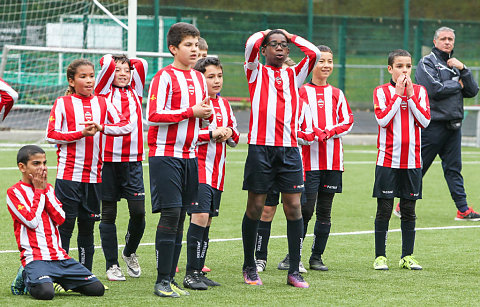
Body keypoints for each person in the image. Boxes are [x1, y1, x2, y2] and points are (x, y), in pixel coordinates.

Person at [242, 28, 320, 288]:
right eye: (272, 44)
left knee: (294, 207)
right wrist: (266, 32)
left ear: (288, 51)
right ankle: (250, 266)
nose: (278, 47)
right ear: (264, 50)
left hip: (289, 150)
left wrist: (291, 35)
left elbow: (315, 53)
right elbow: (250, 43)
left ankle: (294, 271)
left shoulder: (294, 74)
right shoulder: (255, 72)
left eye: (283, 45)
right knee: (256, 207)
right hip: (260, 149)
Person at [45, 59, 133, 273]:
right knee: (65, 228)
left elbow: (126, 125)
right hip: (69, 176)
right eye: (83, 77)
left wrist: (102, 127)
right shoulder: (63, 102)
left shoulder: (102, 103)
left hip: (94, 178)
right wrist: (80, 133)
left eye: (91, 76)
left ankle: (84, 274)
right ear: (72, 81)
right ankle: (60, 272)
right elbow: (51, 135)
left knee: (87, 228)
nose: (89, 80)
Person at [146, 22, 212, 298]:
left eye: (196, 45)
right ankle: (161, 280)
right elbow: (153, 115)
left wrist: (206, 120)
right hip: (165, 154)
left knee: (182, 216)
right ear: (173, 48)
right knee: (171, 214)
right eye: (188, 45)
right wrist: (190, 111)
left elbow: (199, 115)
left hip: (190, 156)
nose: (194, 49)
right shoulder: (164, 77)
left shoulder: (199, 78)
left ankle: (171, 278)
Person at [401, 26, 480, 221]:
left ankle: (463, 210)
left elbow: (472, 90)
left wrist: (464, 70)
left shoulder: (455, 64)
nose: (447, 42)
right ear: (435, 41)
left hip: (454, 127)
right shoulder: (426, 62)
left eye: (450, 39)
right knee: (419, 167)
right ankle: (403, 205)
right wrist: (457, 84)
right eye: (443, 39)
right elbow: (433, 89)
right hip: (432, 126)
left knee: (454, 169)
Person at [7, 145, 105, 300]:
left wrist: (44, 190)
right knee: (46, 293)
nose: (43, 168)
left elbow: (60, 218)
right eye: (36, 164)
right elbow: (32, 221)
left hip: (60, 257)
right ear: (22, 167)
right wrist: (39, 191)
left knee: (97, 288)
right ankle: (25, 274)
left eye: (44, 163)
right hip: (35, 257)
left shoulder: (49, 189)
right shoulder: (14, 192)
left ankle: (54, 277)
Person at [183, 56, 240, 290]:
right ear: (200, 78)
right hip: (198, 169)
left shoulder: (225, 104)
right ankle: (190, 274)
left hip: (218, 172)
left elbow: (235, 136)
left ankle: (199, 270)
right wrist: (211, 134)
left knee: (207, 223)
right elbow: (185, 137)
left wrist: (228, 134)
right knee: (200, 217)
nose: (217, 81)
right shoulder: (197, 104)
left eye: (219, 76)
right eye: (211, 77)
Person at [372, 49, 430, 271]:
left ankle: (407, 256)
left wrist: (410, 95)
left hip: (413, 161)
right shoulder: (380, 91)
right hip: (387, 160)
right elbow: (383, 119)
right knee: (384, 210)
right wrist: (398, 94)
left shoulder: (421, 91)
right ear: (390, 69)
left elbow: (424, 122)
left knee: (408, 210)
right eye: (399, 66)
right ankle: (380, 256)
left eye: (407, 66)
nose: (404, 70)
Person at [298, 45, 354, 272]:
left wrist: (329, 132)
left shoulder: (337, 94)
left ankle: (316, 257)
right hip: (307, 163)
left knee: (325, 211)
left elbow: (348, 121)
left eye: (330, 61)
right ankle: (294, 256)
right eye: (321, 61)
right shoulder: (301, 92)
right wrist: (308, 136)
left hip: (332, 163)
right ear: (312, 64)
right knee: (305, 210)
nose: (326, 65)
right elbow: (294, 127)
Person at [94, 54, 148, 281]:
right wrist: (112, 62)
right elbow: (105, 62)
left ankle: (128, 252)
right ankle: (111, 264)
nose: (123, 73)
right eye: (118, 70)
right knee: (108, 213)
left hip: (133, 161)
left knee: (138, 212)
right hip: (107, 161)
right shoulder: (102, 92)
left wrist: (127, 62)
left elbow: (142, 64)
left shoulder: (136, 90)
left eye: (126, 69)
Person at [255, 57, 307, 274]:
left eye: (288, 74)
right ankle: (259, 258)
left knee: (294, 208)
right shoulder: (265, 99)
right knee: (266, 210)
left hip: (291, 159)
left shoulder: (300, 102)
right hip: (268, 157)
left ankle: (295, 260)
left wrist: (301, 135)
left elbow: (305, 130)